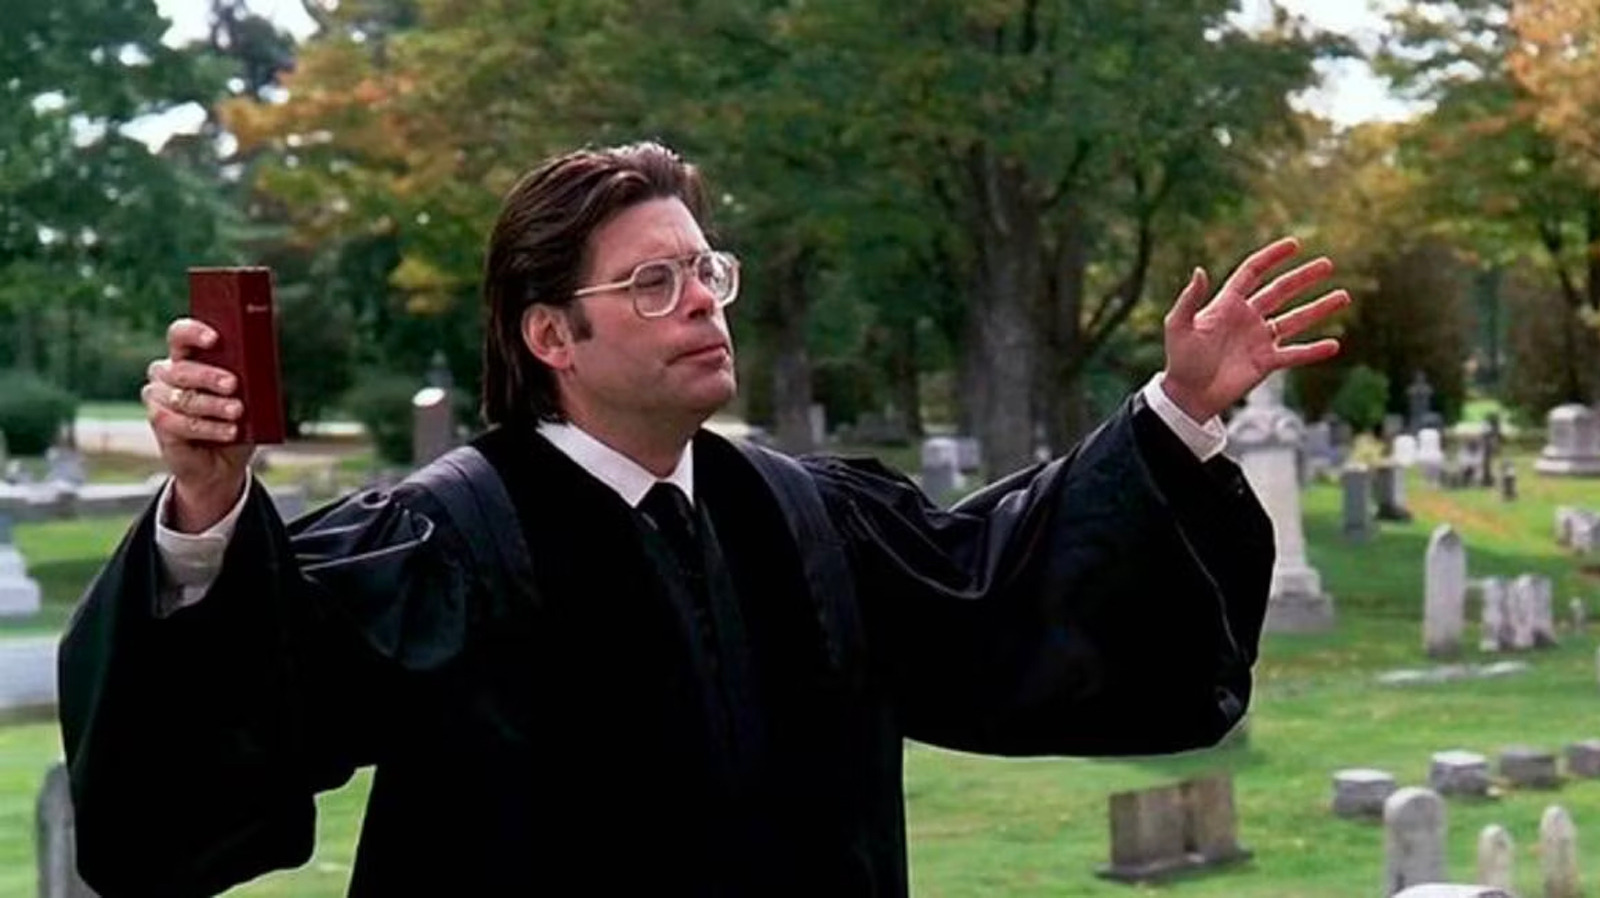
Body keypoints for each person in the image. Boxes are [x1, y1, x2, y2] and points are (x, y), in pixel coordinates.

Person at [58, 141, 1349, 897]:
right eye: (653, 282)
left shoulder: (804, 519)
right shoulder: (451, 542)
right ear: (551, 335)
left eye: (706, 271)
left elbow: (1003, 590)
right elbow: (238, 718)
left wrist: (1177, 412)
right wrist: (208, 506)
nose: (701, 302)